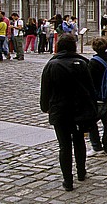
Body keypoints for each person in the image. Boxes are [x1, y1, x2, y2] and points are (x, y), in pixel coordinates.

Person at [40, 34, 97, 192]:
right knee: (79, 141)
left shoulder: (52, 65)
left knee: (64, 146)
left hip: (60, 111)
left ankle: (68, 180)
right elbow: (91, 89)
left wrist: (45, 107)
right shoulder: (83, 63)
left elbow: (46, 90)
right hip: (80, 110)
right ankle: (81, 171)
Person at [86, 37, 107, 157]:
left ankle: (97, 147)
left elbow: (90, 81)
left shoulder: (94, 62)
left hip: (98, 95)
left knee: (91, 122)